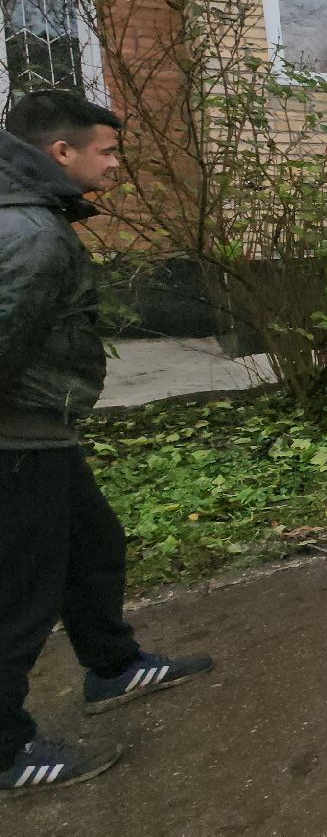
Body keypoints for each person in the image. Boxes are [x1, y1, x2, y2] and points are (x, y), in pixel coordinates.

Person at [1, 91, 214, 794]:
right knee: (18, 596)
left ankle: (112, 667)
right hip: (17, 437)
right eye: (109, 150)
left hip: (39, 429)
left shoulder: (27, 215)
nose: (118, 164)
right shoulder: (33, 234)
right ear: (61, 153)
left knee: (93, 546)